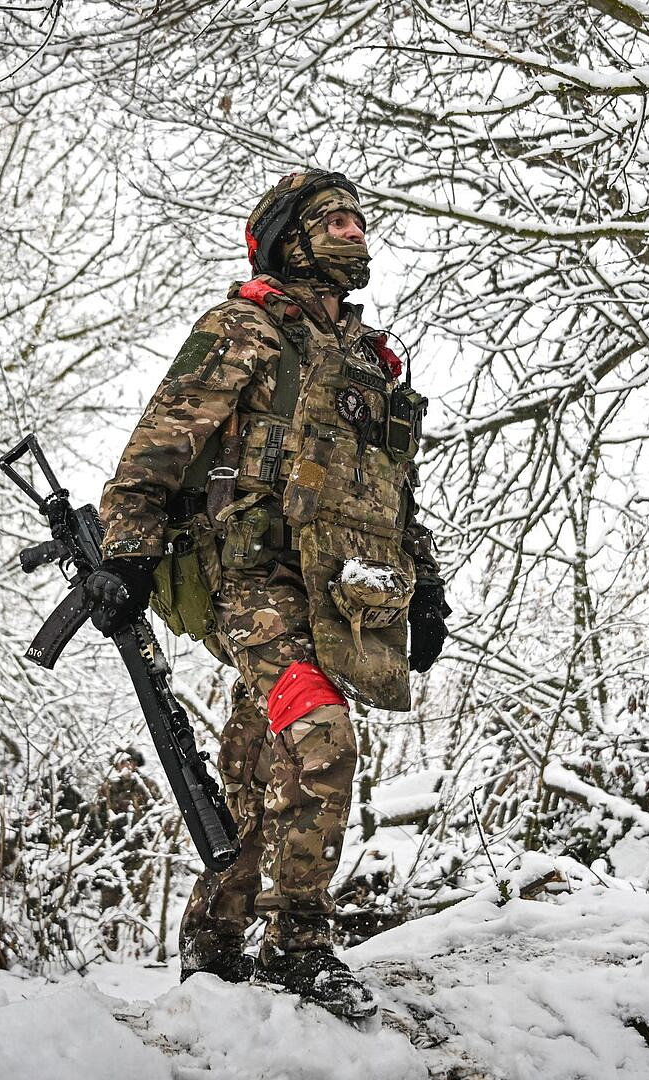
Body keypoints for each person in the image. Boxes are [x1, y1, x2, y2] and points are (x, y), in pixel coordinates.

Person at [83, 170, 448, 1020]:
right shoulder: (243, 328)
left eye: (360, 221)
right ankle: (297, 948)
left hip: (341, 596)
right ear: (290, 239)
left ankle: (215, 945)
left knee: (261, 769)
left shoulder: (369, 361)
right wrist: (126, 554)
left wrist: (426, 585)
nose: (356, 233)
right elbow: (154, 452)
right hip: (248, 581)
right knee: (321, 737)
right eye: (335, 221)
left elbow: (393, 493)